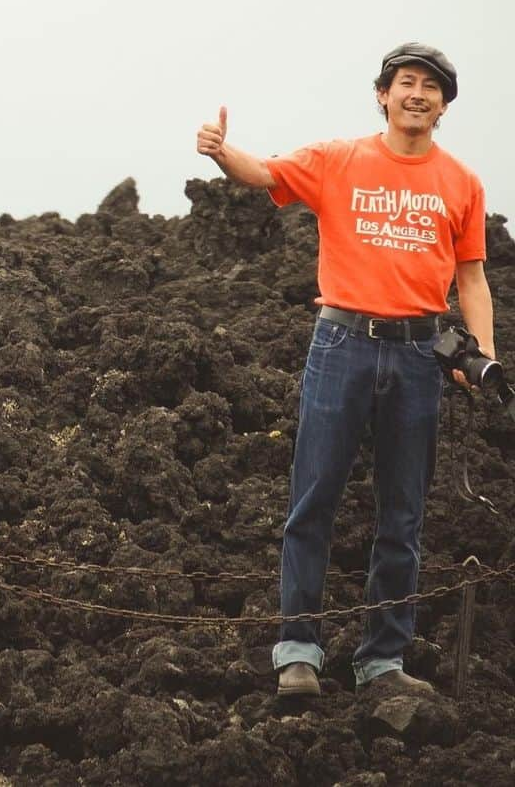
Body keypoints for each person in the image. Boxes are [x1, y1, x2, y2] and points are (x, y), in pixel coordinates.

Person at [196, 42, 494, 698]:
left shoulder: (461, 183)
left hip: (420, 355)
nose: (417, 93)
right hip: (342, 345)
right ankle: (298, 653)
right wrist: (222, 153)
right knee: (314, 498)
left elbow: (471, 276)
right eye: (405, 82)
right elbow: (264, 172)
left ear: (444, 105)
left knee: (403, 514)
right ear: (383, 94)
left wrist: (483, 354)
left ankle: (382, 661)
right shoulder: (339, 159)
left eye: (431, 87)